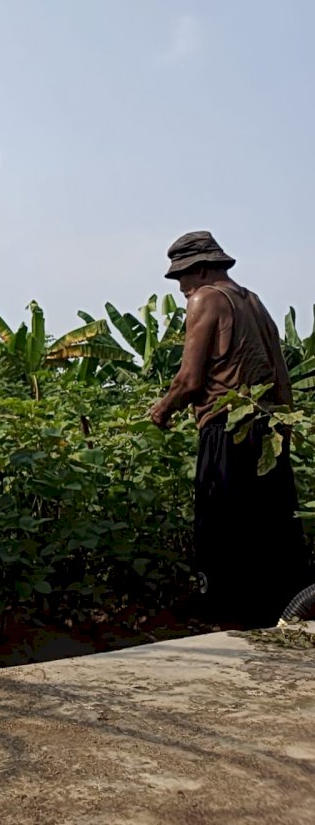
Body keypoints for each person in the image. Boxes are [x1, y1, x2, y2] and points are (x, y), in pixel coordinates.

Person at [149, 231, 309, 628]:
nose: (182, 289)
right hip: (268, 431)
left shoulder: (207, 298)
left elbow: (188, 378)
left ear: (200, 269)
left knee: (221, 527)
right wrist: (282, 432)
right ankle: (279, 615)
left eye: (182, 279)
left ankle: (225, 617)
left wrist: (162, 411)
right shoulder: (254, 302)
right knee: (270, 529)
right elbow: (282, 377)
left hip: (228, 430)